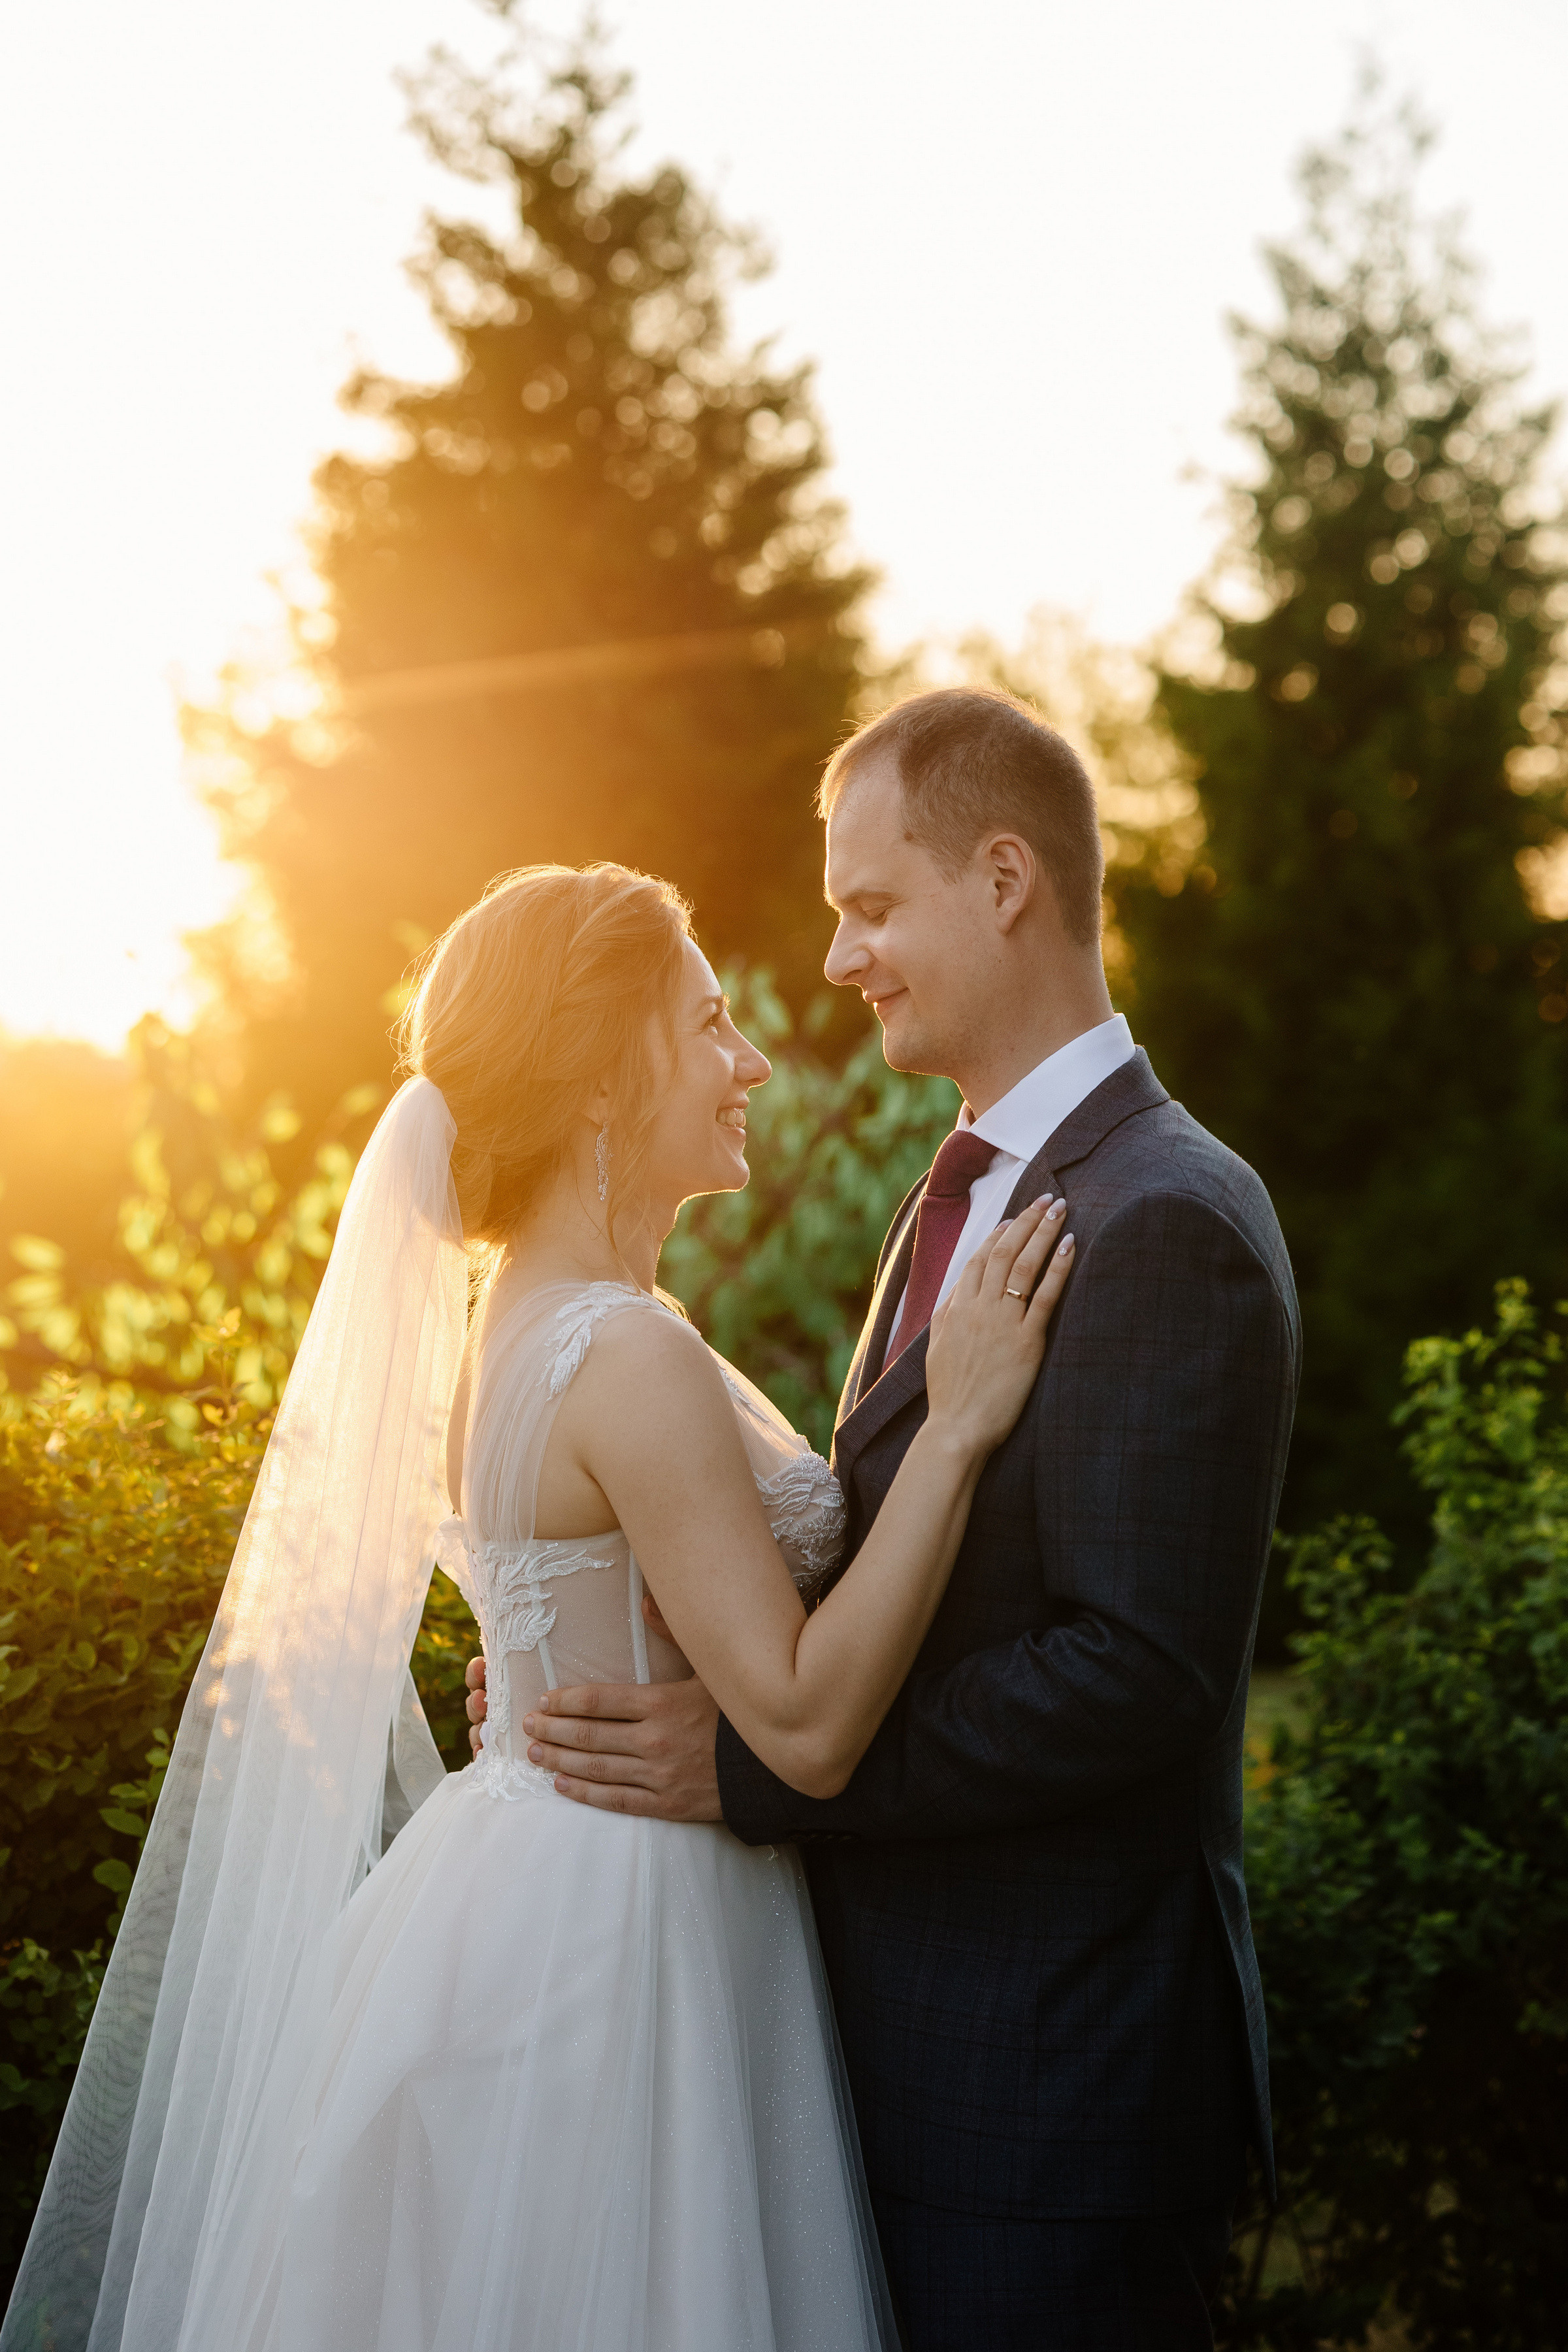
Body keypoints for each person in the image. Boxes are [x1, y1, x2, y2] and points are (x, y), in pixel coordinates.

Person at [1, 860, 1075, 2352]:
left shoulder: (508, 1332)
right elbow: (810, 1725)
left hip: (509, 1881)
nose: (751, 1059)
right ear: (597, 1081)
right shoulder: (623, 1354)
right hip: (624, 1934)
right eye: (709, 1026)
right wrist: (958, 1430)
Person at [482, 690, 1301, 2351]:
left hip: (1046, 2096)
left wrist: (758, 1765)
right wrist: (602, 1642)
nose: (841, 959)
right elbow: (866, 1554)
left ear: (1005, 880)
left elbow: (1133, 1672)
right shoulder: (961, 1190)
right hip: (870, 2056)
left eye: (872, 906)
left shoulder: (1167, 1218)